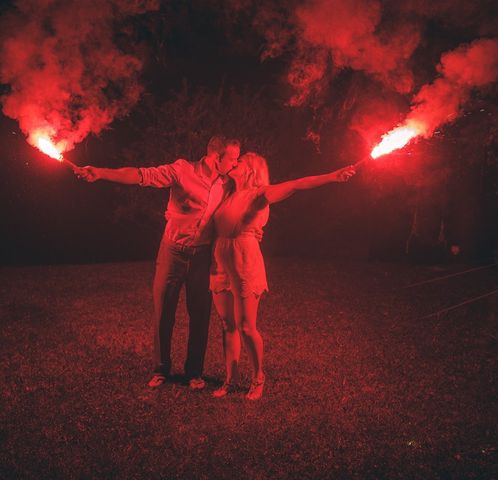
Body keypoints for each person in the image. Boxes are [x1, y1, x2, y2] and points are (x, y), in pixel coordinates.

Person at [74, 137, 241, 389]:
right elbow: (142, 176)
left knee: (200, 315)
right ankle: (161, 369)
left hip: (202, 256)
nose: (236, 162)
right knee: (164, 312)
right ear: (217, 157)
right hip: (172, 252)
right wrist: (100, 173)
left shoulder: (228, 183)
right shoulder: (182, 170)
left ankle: (194, 372)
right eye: (233, 158)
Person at [209, 152, 355, 400]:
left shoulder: (260, 193)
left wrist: (332, 176)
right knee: (227, 325)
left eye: (240, 161)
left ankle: (258, 377)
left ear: (251, 170)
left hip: (244, 259)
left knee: (246, 327)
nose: (234, 163)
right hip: (220, 260)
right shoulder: (226, 193)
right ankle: (230, 379)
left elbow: (297, 184)